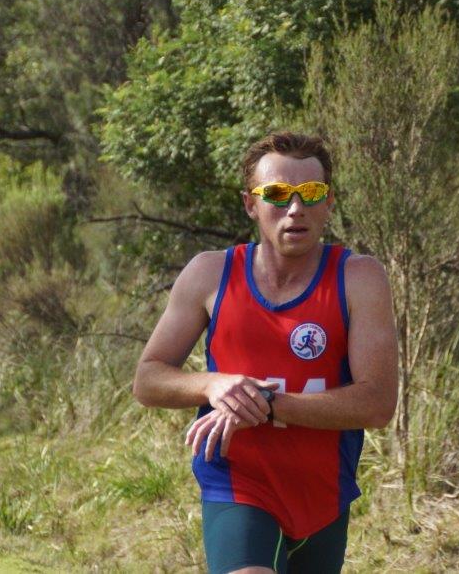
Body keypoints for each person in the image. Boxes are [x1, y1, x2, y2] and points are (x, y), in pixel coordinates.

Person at [133, 131, 398, 573]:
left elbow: (377, 404)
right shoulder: (210, 273)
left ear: (329, 202)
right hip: (237, 484)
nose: (295, 208)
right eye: (276, 194)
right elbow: (147, 380)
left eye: (310, 193)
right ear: (250, 204)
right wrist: (213, 385)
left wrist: (265, 403)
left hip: (323, 494)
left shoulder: (359, 278)